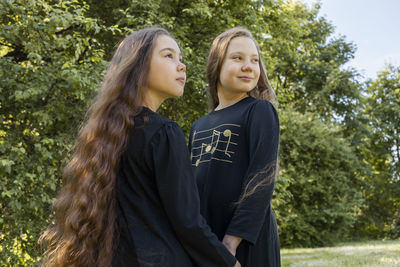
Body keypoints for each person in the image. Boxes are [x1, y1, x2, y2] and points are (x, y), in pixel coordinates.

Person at [39, 27, 239, 267]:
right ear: (139, 66)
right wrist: (228, 262)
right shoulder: (164, 133)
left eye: (181, 59)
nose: (181, 66)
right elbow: (188, 221)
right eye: (168, 56)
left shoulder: (108, 136)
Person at [188, 27, 281, 267]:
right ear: (216, 65)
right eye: (237, 58)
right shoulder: (198, 126)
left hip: (245, 241)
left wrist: (232, 241)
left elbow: (262, 178)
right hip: (208, 239)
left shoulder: (259, 111)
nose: (248, 66)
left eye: (254, 60)